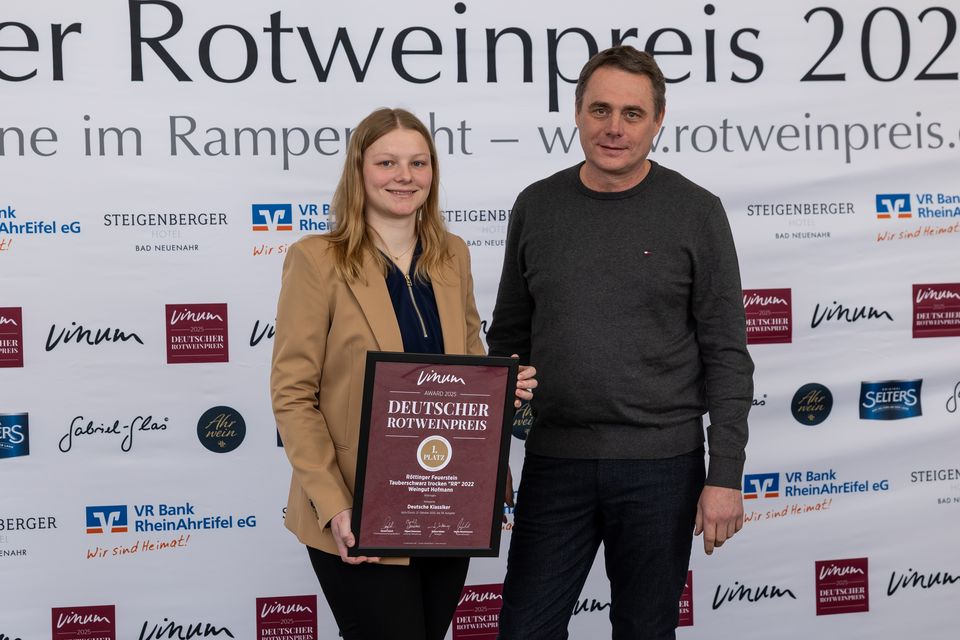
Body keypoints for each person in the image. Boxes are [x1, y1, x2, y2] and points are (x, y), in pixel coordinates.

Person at [486, 46, 754, 639]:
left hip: (663, 467)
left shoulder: (697, 212)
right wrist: (487, 453)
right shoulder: (536, 206)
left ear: (658, 121)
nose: (614, 128)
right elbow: (507, 342)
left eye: (632, 114)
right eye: (600, 110)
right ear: (576, 113)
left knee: (645, 630)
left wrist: (726, 474)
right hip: (555, 461)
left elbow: (727, 354)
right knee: (525, 630)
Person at [270, 107, 536, 640]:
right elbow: (293, 395)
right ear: (359, 170)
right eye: (387, 162)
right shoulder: (316, 260)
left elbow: (465, 366)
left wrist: (499, 387)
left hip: (447, 499)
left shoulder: (452, 256)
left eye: (418, 162)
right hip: (358, 509)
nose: (405, 176)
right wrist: (336, 506)